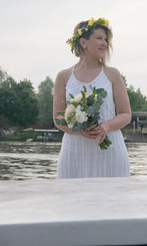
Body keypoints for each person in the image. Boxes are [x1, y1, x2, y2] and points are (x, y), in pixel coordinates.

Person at [53, 17, 131, 178]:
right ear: (83, 42)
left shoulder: (113, 74)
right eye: (99, 38)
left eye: (106, 39)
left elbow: (126, 114)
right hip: (74, 152)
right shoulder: (63, 76)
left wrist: (105, 127)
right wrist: (78, 129)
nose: (104, 43)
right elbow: (58, 117)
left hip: (110, 151)